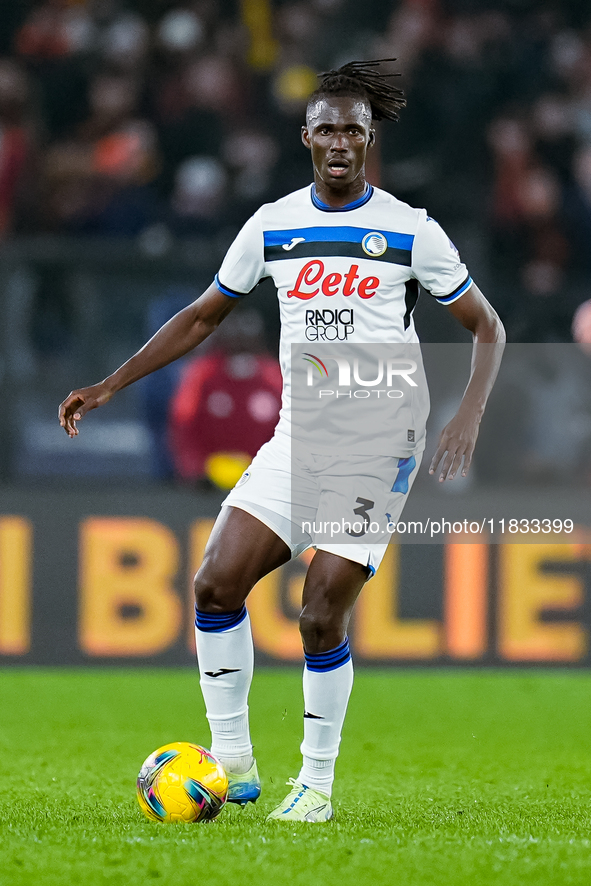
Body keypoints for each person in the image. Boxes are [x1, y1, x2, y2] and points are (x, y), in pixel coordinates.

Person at [59, 59, 505, 822]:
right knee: (212, 584)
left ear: (369, 141)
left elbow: (486, 327)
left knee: (320, 607)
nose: (339, 141)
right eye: (326, 127)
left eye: (353, 130)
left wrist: (465, 416)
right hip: (298, 439)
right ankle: (232, 762)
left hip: (378, 441)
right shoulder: (271, 225)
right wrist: (111, 382)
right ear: (306, 138)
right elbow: (202, 316)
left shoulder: (408, 230)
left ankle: (317, 787)